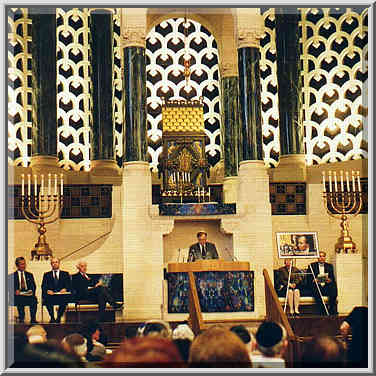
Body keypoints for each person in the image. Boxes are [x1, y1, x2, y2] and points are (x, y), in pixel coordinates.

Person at [41, 257, 72, 323]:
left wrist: (65, 289)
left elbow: (69, 285)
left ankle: (58, 317)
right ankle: (52, 317)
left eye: (56, 262)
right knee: (46, 298)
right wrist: (47, 290)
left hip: (61, 295)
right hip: (51, 295)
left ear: (59, 263)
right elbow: (43, 286)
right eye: (53, 263)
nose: (54, 264)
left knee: (64, 299)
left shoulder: (65, 274)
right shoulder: (46, 274)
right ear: (51, 264)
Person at [9, 257, 38, 323]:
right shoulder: (11, 276)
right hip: (17, 296)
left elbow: (34, 286)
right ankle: (22, 318)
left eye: (24, 264)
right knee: (20, 299)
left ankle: (33, 319)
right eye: (21, 264)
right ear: (17, 265)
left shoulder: (30, 275)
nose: (24, 266)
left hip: (28, 295)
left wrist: (31, 291)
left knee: (34, 299)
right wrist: (14, 291)